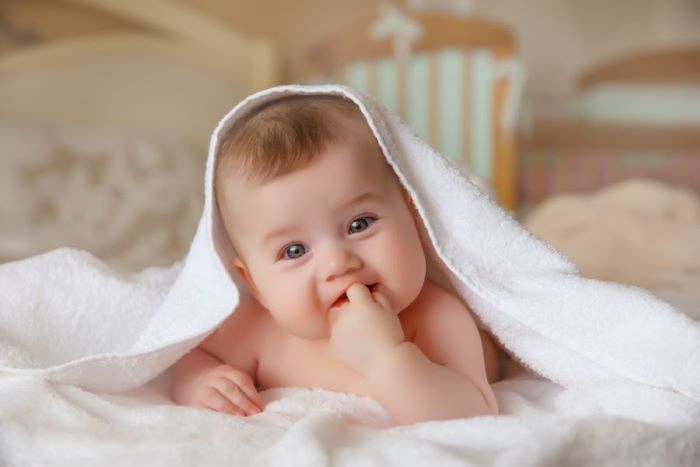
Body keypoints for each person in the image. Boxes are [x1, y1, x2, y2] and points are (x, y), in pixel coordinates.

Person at [170, 94, 502, 425]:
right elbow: (187, 353)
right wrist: (199, 381)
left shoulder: (435, 317)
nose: (337, 263)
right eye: (295, 251)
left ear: (411, 214)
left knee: (488, 354)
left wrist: (386, 359)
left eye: (359, 224)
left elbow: (474, 413)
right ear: (255, 284)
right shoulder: (259, 328)